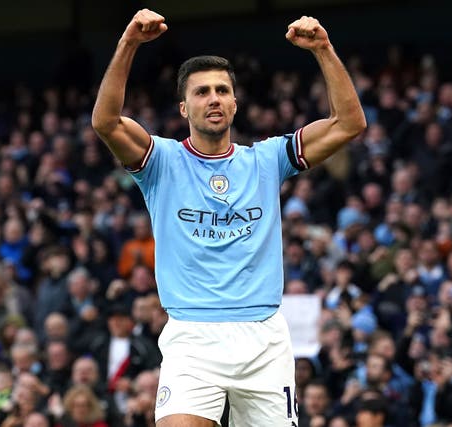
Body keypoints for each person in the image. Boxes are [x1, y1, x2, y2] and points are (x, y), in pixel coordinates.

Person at [91, 8, 365, 427]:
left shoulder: (268, 159)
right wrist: (128, 43)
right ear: (184, 107)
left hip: (263, 338)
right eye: (201, 92)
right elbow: (106, 122)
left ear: (235, 103)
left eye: (222, 90)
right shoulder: (162, 161)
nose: (214, 98)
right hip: (193, 337)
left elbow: (349, 123)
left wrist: (324, 49)